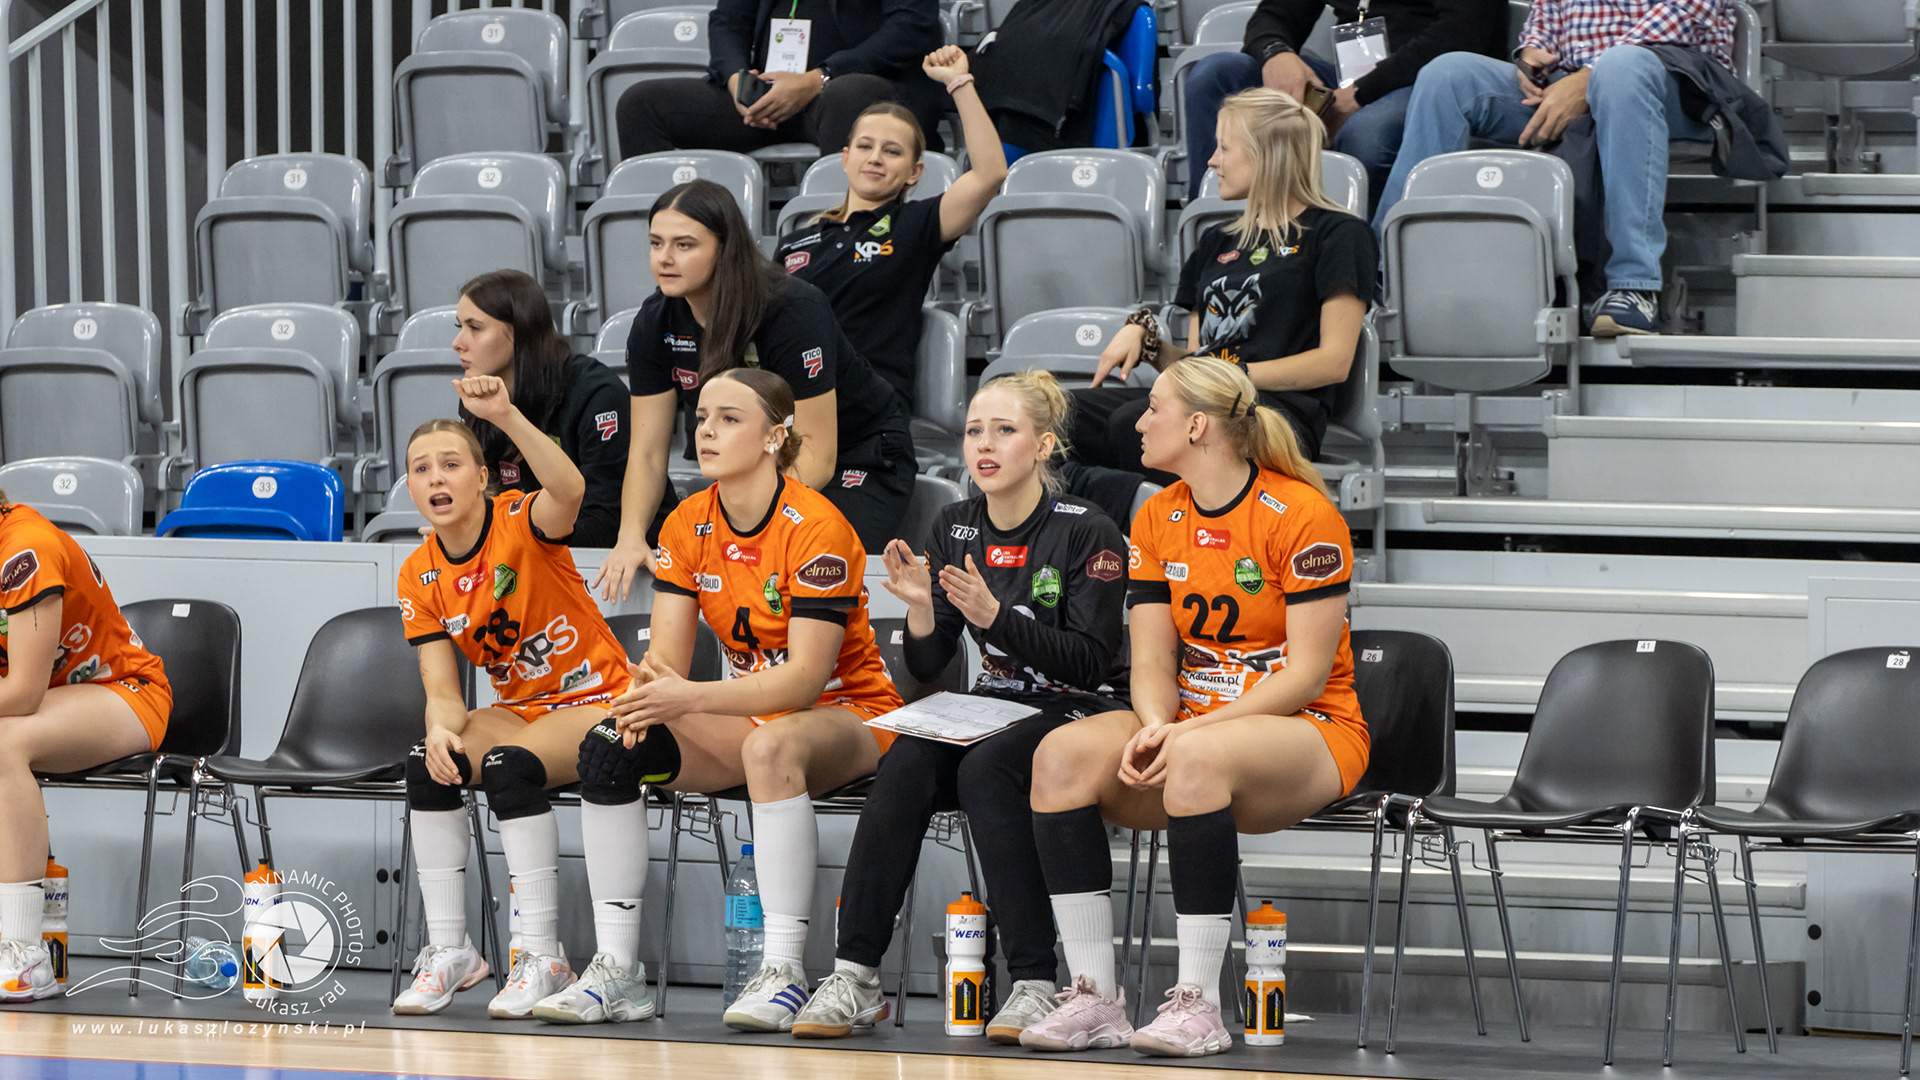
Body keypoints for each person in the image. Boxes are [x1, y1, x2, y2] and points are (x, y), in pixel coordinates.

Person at [1021, 356, 1367, 1058]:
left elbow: (1305, 676)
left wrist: (1189, 732)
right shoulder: (1158, 514)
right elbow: (1152, 659)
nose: (1138, 422)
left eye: (1153, 408)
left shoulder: (1304, 514)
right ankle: (1094, 996)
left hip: (1311, 729)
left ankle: (1199, 1004)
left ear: (1198, 426)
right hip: (1193, 728)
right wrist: (1157, 725)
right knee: (1058, 756)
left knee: (1197, 755)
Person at [788, 371, 1129, 1043]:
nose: (984, 444)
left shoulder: (1087, 529)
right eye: (974, 431)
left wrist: (997, 619)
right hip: (998, 705)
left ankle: (1033, 981)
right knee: (907, 758)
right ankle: (855, 973)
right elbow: (928, 663)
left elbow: (1090, 662)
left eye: (1004, 430)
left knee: (987, 768)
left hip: (1081, 708)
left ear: (1043, 446)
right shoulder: (955, 524)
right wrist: (921, 612)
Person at [578, 368, 903, 1033]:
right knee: (610, 745)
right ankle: (618, 972)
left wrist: (686, 696)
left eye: (729, 419)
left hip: (851, 712)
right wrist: (645, 697)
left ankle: (783, 970)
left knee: (771, 746)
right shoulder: (686, 521)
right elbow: (667, 664)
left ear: (775, 436)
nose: (707, 431)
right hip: (749, 713)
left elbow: (804, 681)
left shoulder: (818, 526)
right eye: (702, 417)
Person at [391, 384, 643, 1024]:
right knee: (429, 761)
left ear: (482, 478)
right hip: (522, 706)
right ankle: (451, 950)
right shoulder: (418, 572)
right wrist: (441, 731)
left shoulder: (519, 519)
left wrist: (504, 415)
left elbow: (572, 491)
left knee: (509, 765)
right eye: (421, 469)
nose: (435, 478)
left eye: (451, 464)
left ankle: (542, 955)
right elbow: (443, 692)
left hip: (598, 697)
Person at [597, 179, 915, 604]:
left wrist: (748, 524)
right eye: (656, 243)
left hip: (859, 455)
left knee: (811, 565)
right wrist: (630, 535)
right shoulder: (655, 323)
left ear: (724, 248)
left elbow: (818, 454)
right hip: (758, 464)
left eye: (684, 245)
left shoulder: (793, 310)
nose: (664, 258)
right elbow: (649, 453)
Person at [1372, 0, 1736, 337]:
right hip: (1567, 82)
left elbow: (1685, 14)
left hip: (1675, 82)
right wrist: (1532, 51)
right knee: (1447, 74)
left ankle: (1634, 285)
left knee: (1622, 69)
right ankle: (1386, 275)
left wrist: (1590, 75)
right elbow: (1547, 12)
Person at [1073, 88, 1374, 482]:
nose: (1212, 161)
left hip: (1276, 415)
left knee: (1136, 423)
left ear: (1266, 155)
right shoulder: (1216, 240)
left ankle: (1142, 510)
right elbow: (1199, 360)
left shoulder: (1339, 234)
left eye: (1224, 148)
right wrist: (1146, 342)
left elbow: (1333, 362)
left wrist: (1234, 376)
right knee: (1052, 414)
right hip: (1203, 399)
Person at [0, 495, 171, 1001]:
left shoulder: (26, 550)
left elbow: (22, 694)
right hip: (60, 698)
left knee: (3, 743)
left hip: (127, 691)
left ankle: (23, 953)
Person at [774, 46, 1007, 403]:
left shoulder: (915, 225)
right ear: (845, 159)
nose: (875, 158)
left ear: (914, 172)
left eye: (892, 151)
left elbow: (990, 174)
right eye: (865, 146)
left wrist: (959, 82)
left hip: (869, 408)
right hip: (793, 402)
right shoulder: (795, 241)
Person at [1183, 0, 1509, 207]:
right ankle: (1217, 246)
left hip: (1426, 82)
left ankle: (1364, 267)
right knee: (1216, 75)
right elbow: (1272, 16)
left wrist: (1361, 93)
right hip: (1349, 79)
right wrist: (1276, 52)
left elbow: (1462, 34)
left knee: (1367, 133)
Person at [614, 0, 944, 160]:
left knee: (846, 95)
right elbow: (728, 23)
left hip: (852, 88)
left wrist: (820, 77)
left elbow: (910, 29)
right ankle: (665, 243)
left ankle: (839, 247)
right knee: (640, 104)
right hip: (768, 96)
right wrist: (737, 80)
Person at [451, 270, 636, 549]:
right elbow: (486, 506)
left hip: (619, 563)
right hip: (534, 553)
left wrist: (510, 541)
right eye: (460, 327)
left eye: (475, 328)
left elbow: (604, 524)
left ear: (520, 331)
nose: (458, 343)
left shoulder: (597, 394)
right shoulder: (480, 396)